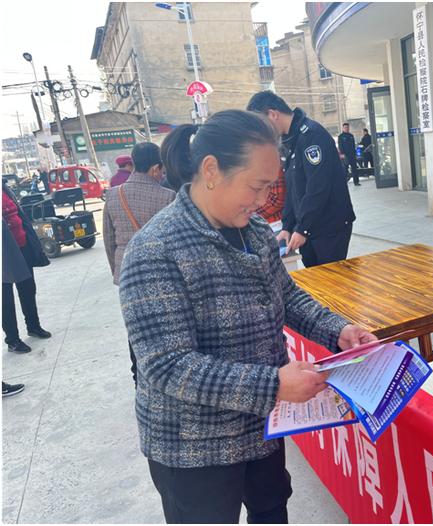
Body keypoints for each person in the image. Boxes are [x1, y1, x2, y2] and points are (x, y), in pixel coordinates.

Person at [119, 109, 376, 524]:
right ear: (211, 170)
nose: (263, 201)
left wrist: (338, 330)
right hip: (193, 447)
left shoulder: (254, 231)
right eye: (256, 186)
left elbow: (287, 295)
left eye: (271, 186)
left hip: (260, 429)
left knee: (271, 511)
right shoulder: (155, 250)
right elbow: (167, 366)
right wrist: (273, 383)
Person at [247, 91, 356, 268]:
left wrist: (302, 229)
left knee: (332, 285)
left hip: (329, 227)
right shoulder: (292, 139)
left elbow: (318, 187)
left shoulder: (312, 135)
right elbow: (293, 190)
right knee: (315, 285)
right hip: (310, 228)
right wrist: (287, 227)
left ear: (273, 115)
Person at [103, 142, 175, 386]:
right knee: (165, 325)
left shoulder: (113, 195)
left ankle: (139, 378)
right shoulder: (168, 197)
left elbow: (108, 240)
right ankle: (163, 375)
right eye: (161, 169)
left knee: (135, 327)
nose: (163, 174)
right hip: (160, 270)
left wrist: (117, 271)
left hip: (125, 270)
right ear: (155, 168)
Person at [2, 185, 51, 354]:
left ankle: (33, 326)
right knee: (5, 299)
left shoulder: (3, 187)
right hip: (4, 252)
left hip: (22, 246)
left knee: (28, 289)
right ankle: (12, 340)